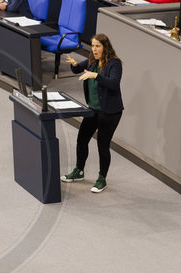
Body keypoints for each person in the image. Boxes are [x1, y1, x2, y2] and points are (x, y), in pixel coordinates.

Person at [62, 33, 123, 193]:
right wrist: (74, 63)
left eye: (98, 46)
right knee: (82, 139)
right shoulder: (91, 61)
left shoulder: (114, 63)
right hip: (93, 110)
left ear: (105, 47)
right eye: (93, 46)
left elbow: (114, 84)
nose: (94, 49)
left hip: (110, 112)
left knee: (102, 145)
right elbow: (77, 69)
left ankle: (102, 179)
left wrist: (95, 75)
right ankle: (79, 171)